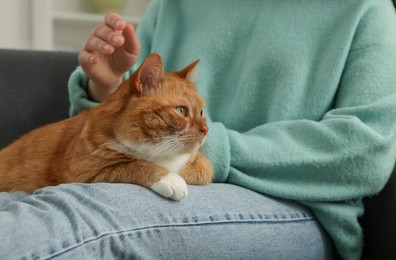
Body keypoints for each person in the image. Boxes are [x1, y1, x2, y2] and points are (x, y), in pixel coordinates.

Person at [1, 0, 396, 259]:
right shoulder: (176, 4)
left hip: (292, 203)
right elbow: (127, 116)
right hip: (152, 165)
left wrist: (205, 152)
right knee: (23, 203)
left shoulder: (365, 9)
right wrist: (108, 88)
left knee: (82, 214)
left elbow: (366, 149)